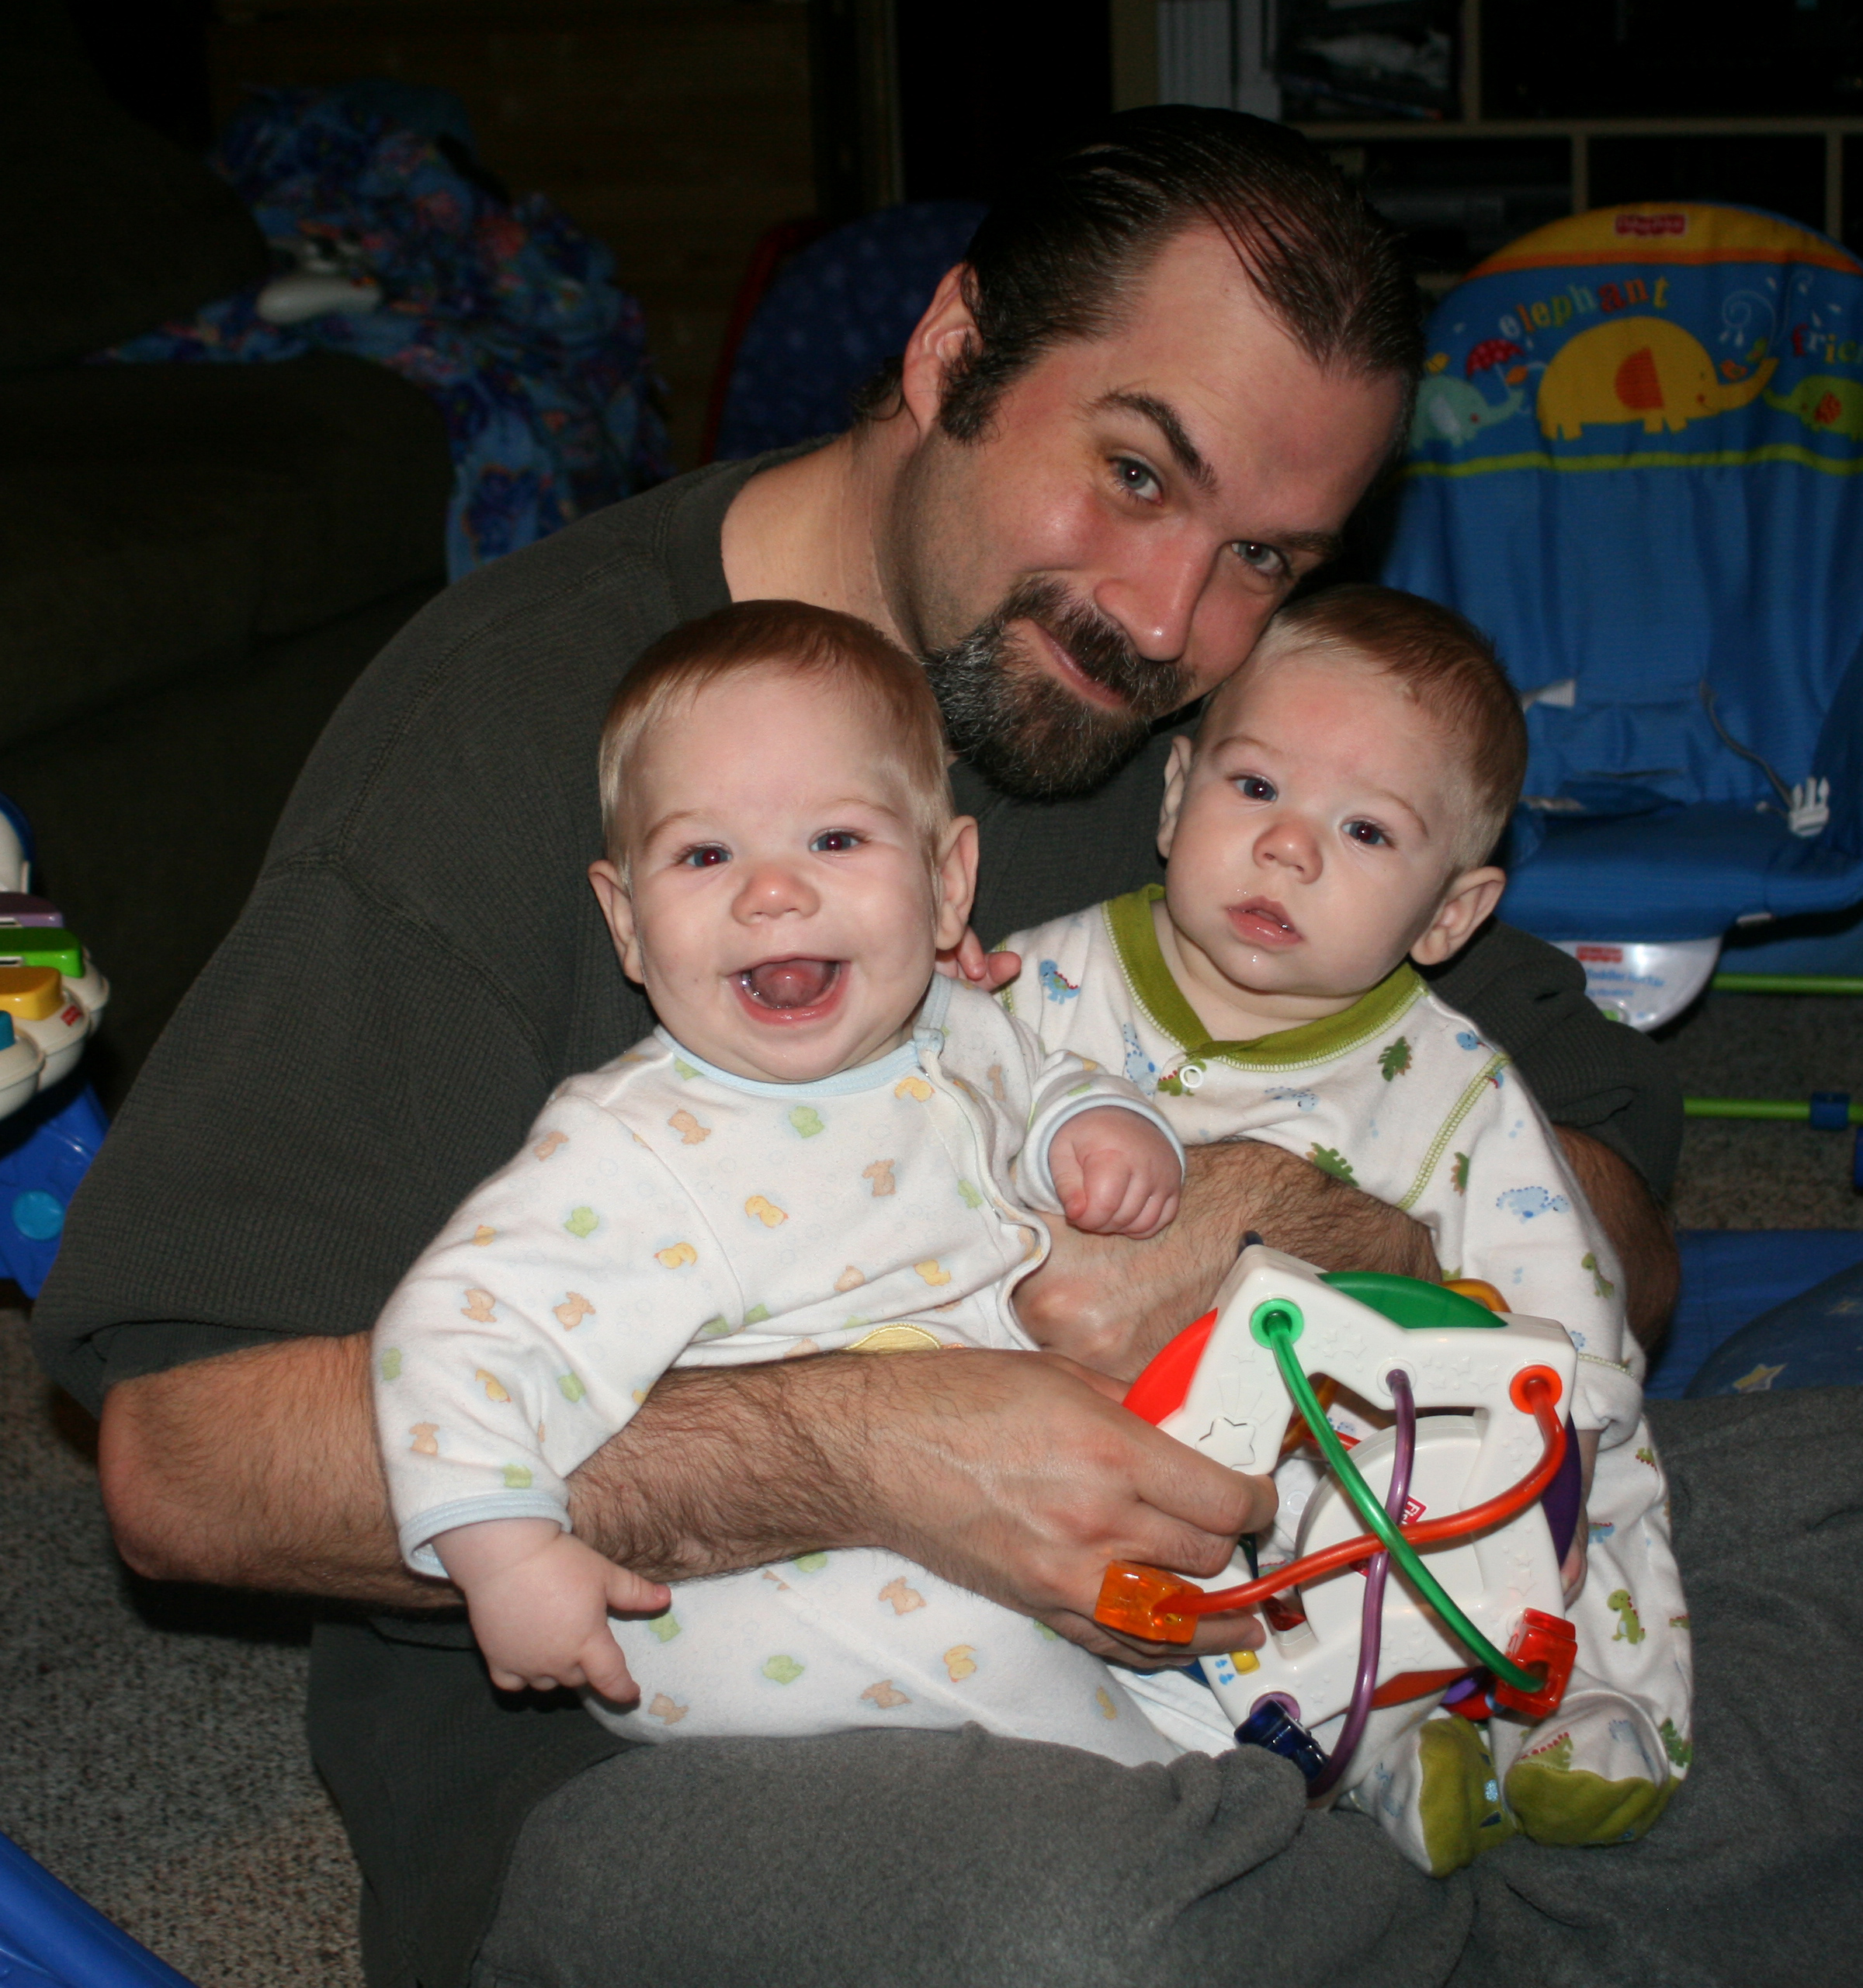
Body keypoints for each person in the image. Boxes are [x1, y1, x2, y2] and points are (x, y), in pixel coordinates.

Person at [41, 109, 1845, 1988]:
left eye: (1262, 554)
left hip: (1295, 1571)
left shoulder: (1239, 746)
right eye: (1134, 473)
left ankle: (1424, 1865)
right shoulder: (513, 743)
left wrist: (1282, 1219)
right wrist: (865, 1446)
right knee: (1100, 1934)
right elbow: (183, 1461)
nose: (1168, 621)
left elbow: (1612, 1231)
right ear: (951, 350)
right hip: (682, 1732)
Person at [375, 598, 1197, 1762]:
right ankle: (1169, 1784)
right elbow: (454, 1327)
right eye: (705, 855)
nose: (771, 892)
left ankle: (1255, 1730)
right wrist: (505, 1555)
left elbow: (1042, 1078)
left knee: (1210, 1505)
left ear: (947, 884)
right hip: (760, 1598)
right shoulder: (630, 1143)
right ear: (627, 921)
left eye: (836, 841)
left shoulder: (958, 1027)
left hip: (999, 1507)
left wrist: (1100, 1121)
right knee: (1033, 1683)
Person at [1001, 585, 1690, 1873]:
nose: (1288, 849)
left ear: (1449, 916)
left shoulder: (1456, 1089)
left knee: (1556, 1451)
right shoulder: (1032, 990)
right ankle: (1342, 1744)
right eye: (1256, 787)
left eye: (1365, 830)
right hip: (1075, 1473)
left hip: (1344, 1473)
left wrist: (1556, 1472)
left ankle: (1544, 1715)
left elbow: (1570, 1328)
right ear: (1175, 799)